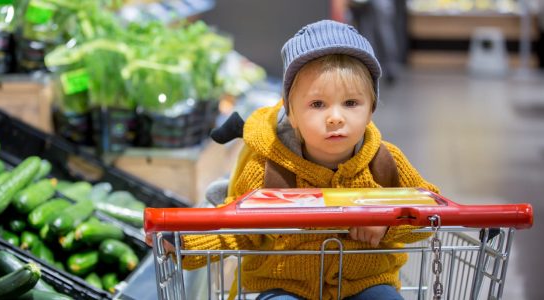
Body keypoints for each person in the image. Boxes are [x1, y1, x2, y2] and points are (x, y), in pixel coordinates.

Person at [178, 20, 439, 300]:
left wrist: (388, 223)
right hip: (283, 284)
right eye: (317, 104)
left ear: (371, 109)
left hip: (366, 281)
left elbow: (430, 210)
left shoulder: (385, 162)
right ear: (291, 114)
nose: (335, 117)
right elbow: (238, 228)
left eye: (351, 103)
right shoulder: (268, 168)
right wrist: (184, 244)